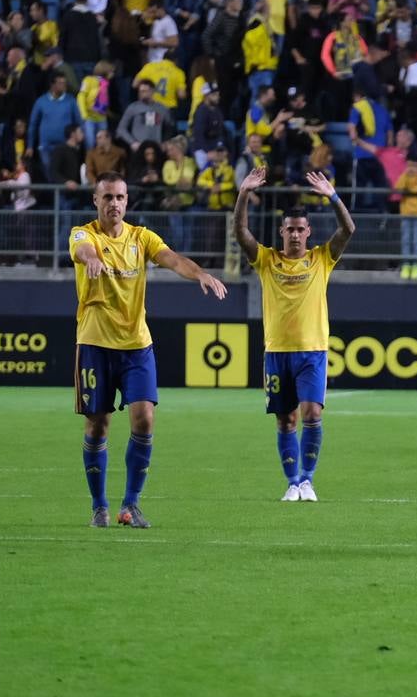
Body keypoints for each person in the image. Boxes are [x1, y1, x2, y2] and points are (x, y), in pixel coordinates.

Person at [70, 172, 228, 528]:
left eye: (121, 197)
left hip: (137, 346)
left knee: (144, 418)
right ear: (96, 201)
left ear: (128, 202)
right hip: (95, 344)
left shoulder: (141, 238)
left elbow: (172, 258)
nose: (115, 204)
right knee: (98, 425)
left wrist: (199, 273)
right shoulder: (84, 234)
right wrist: (90, 259)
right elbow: (82, 251)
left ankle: (131, 504)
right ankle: (99, 506)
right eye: (108, 197)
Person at [234, 165, 356, 503]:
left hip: (312, 352)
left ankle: (307, 480)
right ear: (281, 231)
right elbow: (240, 230)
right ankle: (292, 481)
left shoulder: (322, 259)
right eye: (290, 229)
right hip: (276, 353)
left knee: (312, 414)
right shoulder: (265, 260)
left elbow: (348, 228)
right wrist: (243, 193)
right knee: (285, 420)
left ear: (308, 232)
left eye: (300, 229)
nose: (295, 235)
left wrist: (332, 196)